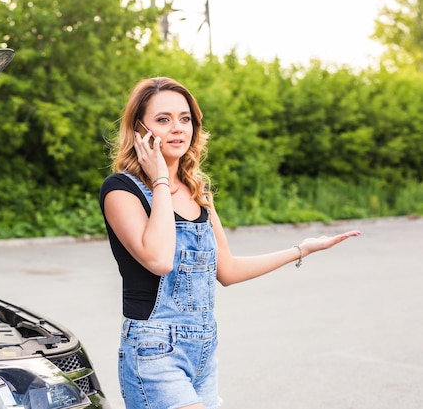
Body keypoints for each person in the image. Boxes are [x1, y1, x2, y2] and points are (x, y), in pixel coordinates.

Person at [98, 76, 360, 409]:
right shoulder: (122, 190)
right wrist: (161, 179)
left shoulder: (197, 190)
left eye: (185, 118)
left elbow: (228, 269)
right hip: (154, 352)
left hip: (204, 351)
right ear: (139, 130)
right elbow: (159, 259)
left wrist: (301, 249)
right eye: (163, 119)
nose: (178, 128)